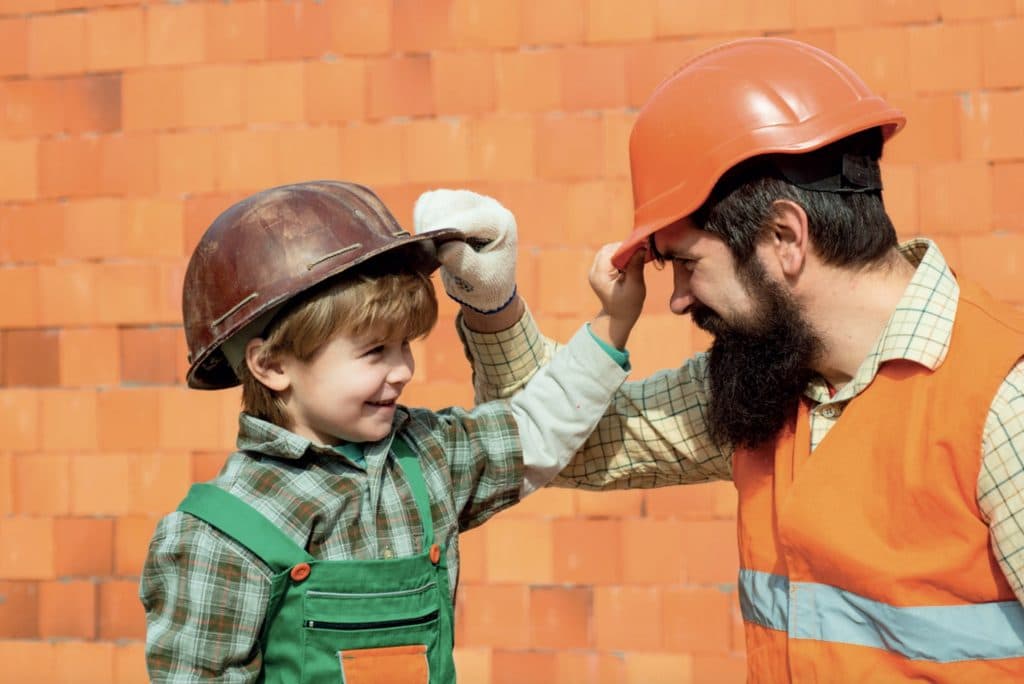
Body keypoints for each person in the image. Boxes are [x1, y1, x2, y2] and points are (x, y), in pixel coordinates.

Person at [416, 38, 1024, 681]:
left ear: (784, 237)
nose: (676, 299)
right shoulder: (771, 383)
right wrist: (493, 304)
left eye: (686, 262)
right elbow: (565, 443)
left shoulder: (1001, 401)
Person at [139, 180, 645, 682]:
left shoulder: (429, 457)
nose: (403, 370)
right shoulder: (218, 535)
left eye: (405, 345)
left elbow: (537, 428)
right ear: (271, 365)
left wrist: (613, 322)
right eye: (374, 351)